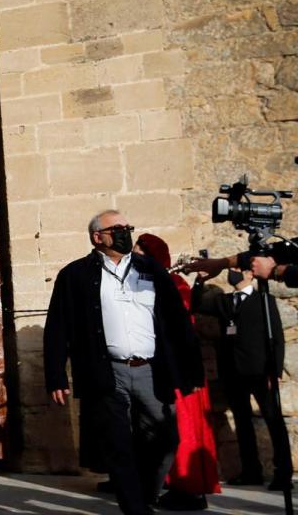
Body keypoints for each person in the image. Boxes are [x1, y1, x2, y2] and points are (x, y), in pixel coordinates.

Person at [44, 210, 203, 515]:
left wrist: (191, 369)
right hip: (107, 372)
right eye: (116, 228)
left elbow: (177, 322)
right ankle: (135, 509)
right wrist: (55, 376)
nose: (124, 232)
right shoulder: (75, 275)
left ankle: (142, 497)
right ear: (97, 237)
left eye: (127, 227)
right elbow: (58, 327)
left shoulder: (152, 271)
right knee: (118, 446)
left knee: (165, 439)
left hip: (151, 371)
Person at [133, 233, 220, 510]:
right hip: (167, 368)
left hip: (178, 370)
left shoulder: (173, 286)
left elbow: (179, 332)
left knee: (183, 429)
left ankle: (189, 488)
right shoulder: (159, 284)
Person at [192, 267, 292, 490]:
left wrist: (274, 372)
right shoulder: (223, 301)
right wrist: (199, 281)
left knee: (273, 421)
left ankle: (282, 472)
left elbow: (277, 338)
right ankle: (251, 471)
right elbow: (197, 304)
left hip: (259, 371)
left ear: (249, 275)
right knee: (242, 421)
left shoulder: (264, 300)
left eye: (238, 269)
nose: (233, 272)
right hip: (233, 372)